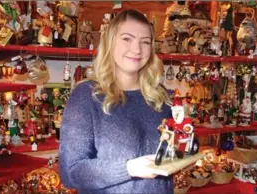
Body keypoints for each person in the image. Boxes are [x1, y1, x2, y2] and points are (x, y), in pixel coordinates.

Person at [59, 9, 173, 194]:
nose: (137, 49)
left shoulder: (160, 97)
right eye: (127, 39)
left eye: (145, 42)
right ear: (110, 43)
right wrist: (129, 168)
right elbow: (70, 173)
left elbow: (168, 162)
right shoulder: (86, 96)